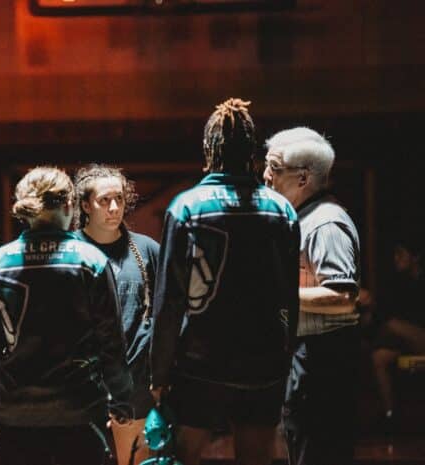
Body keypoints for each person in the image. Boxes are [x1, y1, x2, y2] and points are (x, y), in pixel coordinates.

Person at [150, 98, 300, 465]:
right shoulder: (281, 210)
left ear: (209, 149)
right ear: (252, 151)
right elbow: (289, 299)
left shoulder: (187, 206)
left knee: (184, 455)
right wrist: (285, 357)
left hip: (200, 363)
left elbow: (169, 299)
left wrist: (158, 371)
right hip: (263, 363)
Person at [0, 166, 133, 465]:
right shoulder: (91, 261)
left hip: (16, 414)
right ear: (69, 205)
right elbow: (111, 341)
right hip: (79, 412)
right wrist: (122, 399)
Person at [264, 126, 361, 465]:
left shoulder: (325, 224)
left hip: (322, 364)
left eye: (274, 168)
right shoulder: (305, 220)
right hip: (310, 360)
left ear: (303, 178)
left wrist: (277, 295)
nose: (265, 176)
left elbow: (343, 295)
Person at [73, 164, 159, 465]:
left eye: (119, 199)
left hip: (136, 382)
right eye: (104, 200)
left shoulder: (146, 250)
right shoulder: (70, 251)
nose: (113, 208)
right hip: (82, 385)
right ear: (85, 204)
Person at [371, 238, 425, 432]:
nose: (396, 258)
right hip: (408, 342)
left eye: (401, 254)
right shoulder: (399, 283)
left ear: (416, 257)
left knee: (391, 325)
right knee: (379, 356)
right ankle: (390, 414)